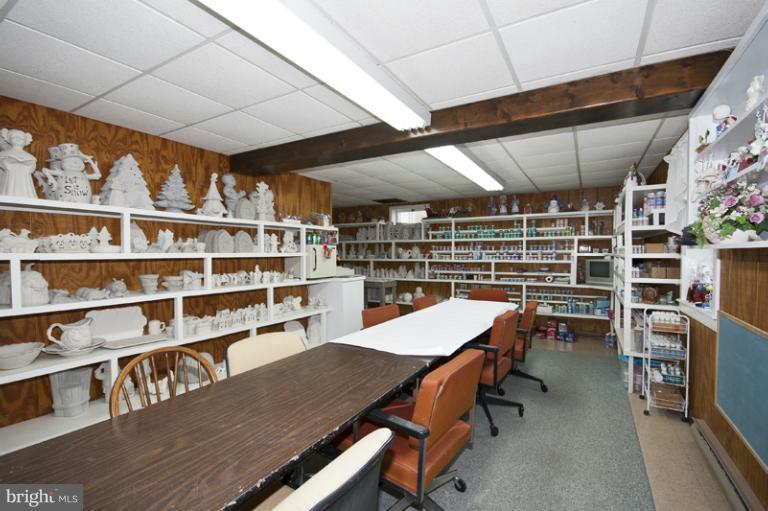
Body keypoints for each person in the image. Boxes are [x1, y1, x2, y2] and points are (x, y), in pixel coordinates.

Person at [0, 128, 38, 198]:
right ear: (8, 139)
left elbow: (32, 168)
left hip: (24, 182)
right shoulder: (4, 154)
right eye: (15, 137)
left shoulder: (29, 156)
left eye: (21, 138)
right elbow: (3, 164)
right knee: (8, 192)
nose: (18, 139)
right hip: (10, 180)